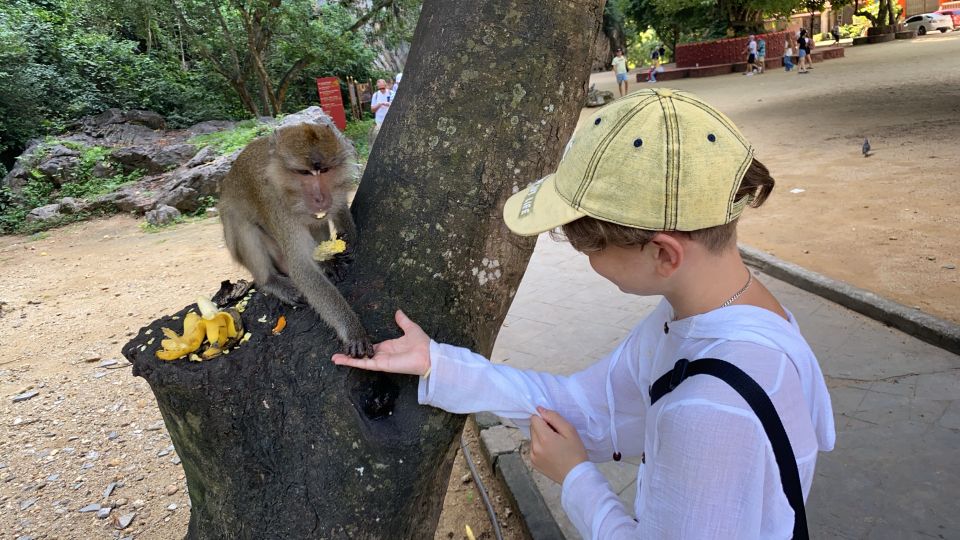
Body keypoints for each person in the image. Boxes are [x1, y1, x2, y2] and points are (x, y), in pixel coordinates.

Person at [333, 88, 835, 539]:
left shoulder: (709, 409)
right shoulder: (720, 314)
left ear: (664, 254)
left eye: (590, 244)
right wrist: (437, 363)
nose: (586, 259)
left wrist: (575, 479)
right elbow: (588, 408)